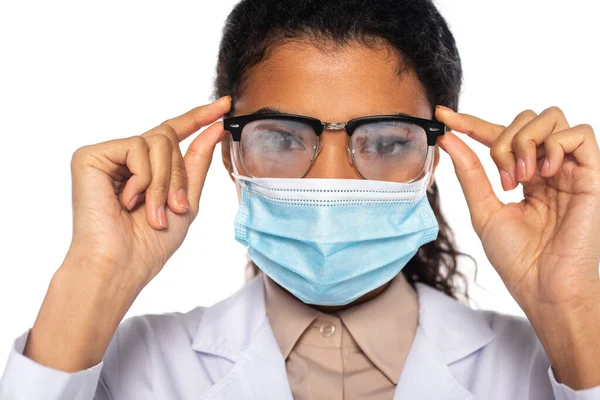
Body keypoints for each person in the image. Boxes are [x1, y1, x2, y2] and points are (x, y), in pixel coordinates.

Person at [1, 0, 599, 399]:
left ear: (433, 161)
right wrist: (94, 276)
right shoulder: (132, 369)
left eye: (387, 140)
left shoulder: (542, 371)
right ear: (230, 155)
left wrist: (572, 305)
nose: (330, 180)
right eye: (284, 137)